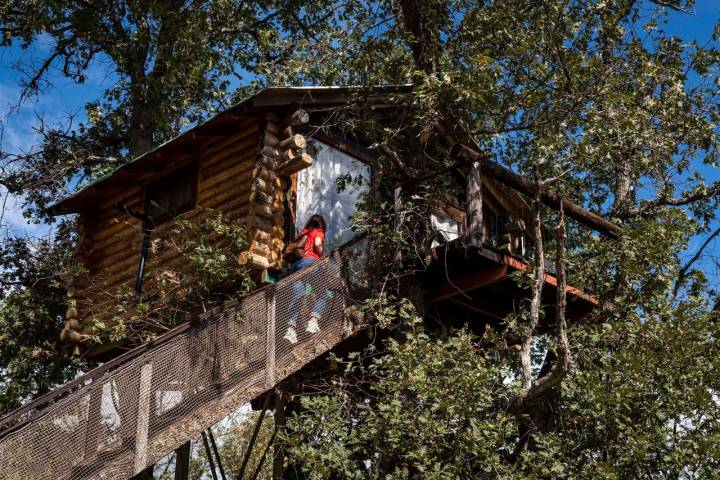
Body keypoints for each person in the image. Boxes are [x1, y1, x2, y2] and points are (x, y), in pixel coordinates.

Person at [284, 214, 328, 344]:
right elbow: (317, 244)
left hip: (296, 267)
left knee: (299, 294)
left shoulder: (304, 232)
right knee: (324, 291)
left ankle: (290, 330)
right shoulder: (318, 231)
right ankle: (313, 321)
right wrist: (324, 257)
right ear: (321, 225)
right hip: (310, 264)